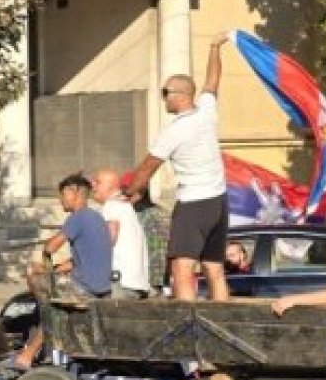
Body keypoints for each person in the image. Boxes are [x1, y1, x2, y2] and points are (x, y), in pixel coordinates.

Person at [123, 31, 231, 301]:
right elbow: (212, 82)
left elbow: (148, 167)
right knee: (214, 267)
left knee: (182, 268)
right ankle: (224, 318)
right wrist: (215, 47)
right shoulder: (206, 112)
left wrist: (128, 193)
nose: (163, 98)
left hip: (194, 202)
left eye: (165, 93)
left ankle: (188, 326)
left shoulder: (174, 130)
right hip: (218, 200)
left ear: (181, 95)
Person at [12, 173, 113, 369]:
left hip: (84, 287)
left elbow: (51, 247)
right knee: (50, 278)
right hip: (101, 286)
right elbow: (81, 259)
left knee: (34, 273)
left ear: (74, 193)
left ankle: (29, 350)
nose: (60, 200)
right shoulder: (97, 217)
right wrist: (58, 269)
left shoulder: (78, 217)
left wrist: (45, 252)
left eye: (62, 195)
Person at [93, 168, 150, 299]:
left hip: (120, 283)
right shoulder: (124, 207)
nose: (93, 185)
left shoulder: (112, 205)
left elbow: (109, 239)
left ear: (112, 187)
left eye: (98, 182)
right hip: (135, 283)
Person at [122, 170, 170, 292]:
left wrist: (153, 283)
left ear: (143, 190)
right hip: (140, 278)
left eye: (129, 189)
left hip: (149, 280)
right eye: (123, 189)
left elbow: (157, 252)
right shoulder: (132, 211)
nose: (125, 193)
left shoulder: (151, 215)